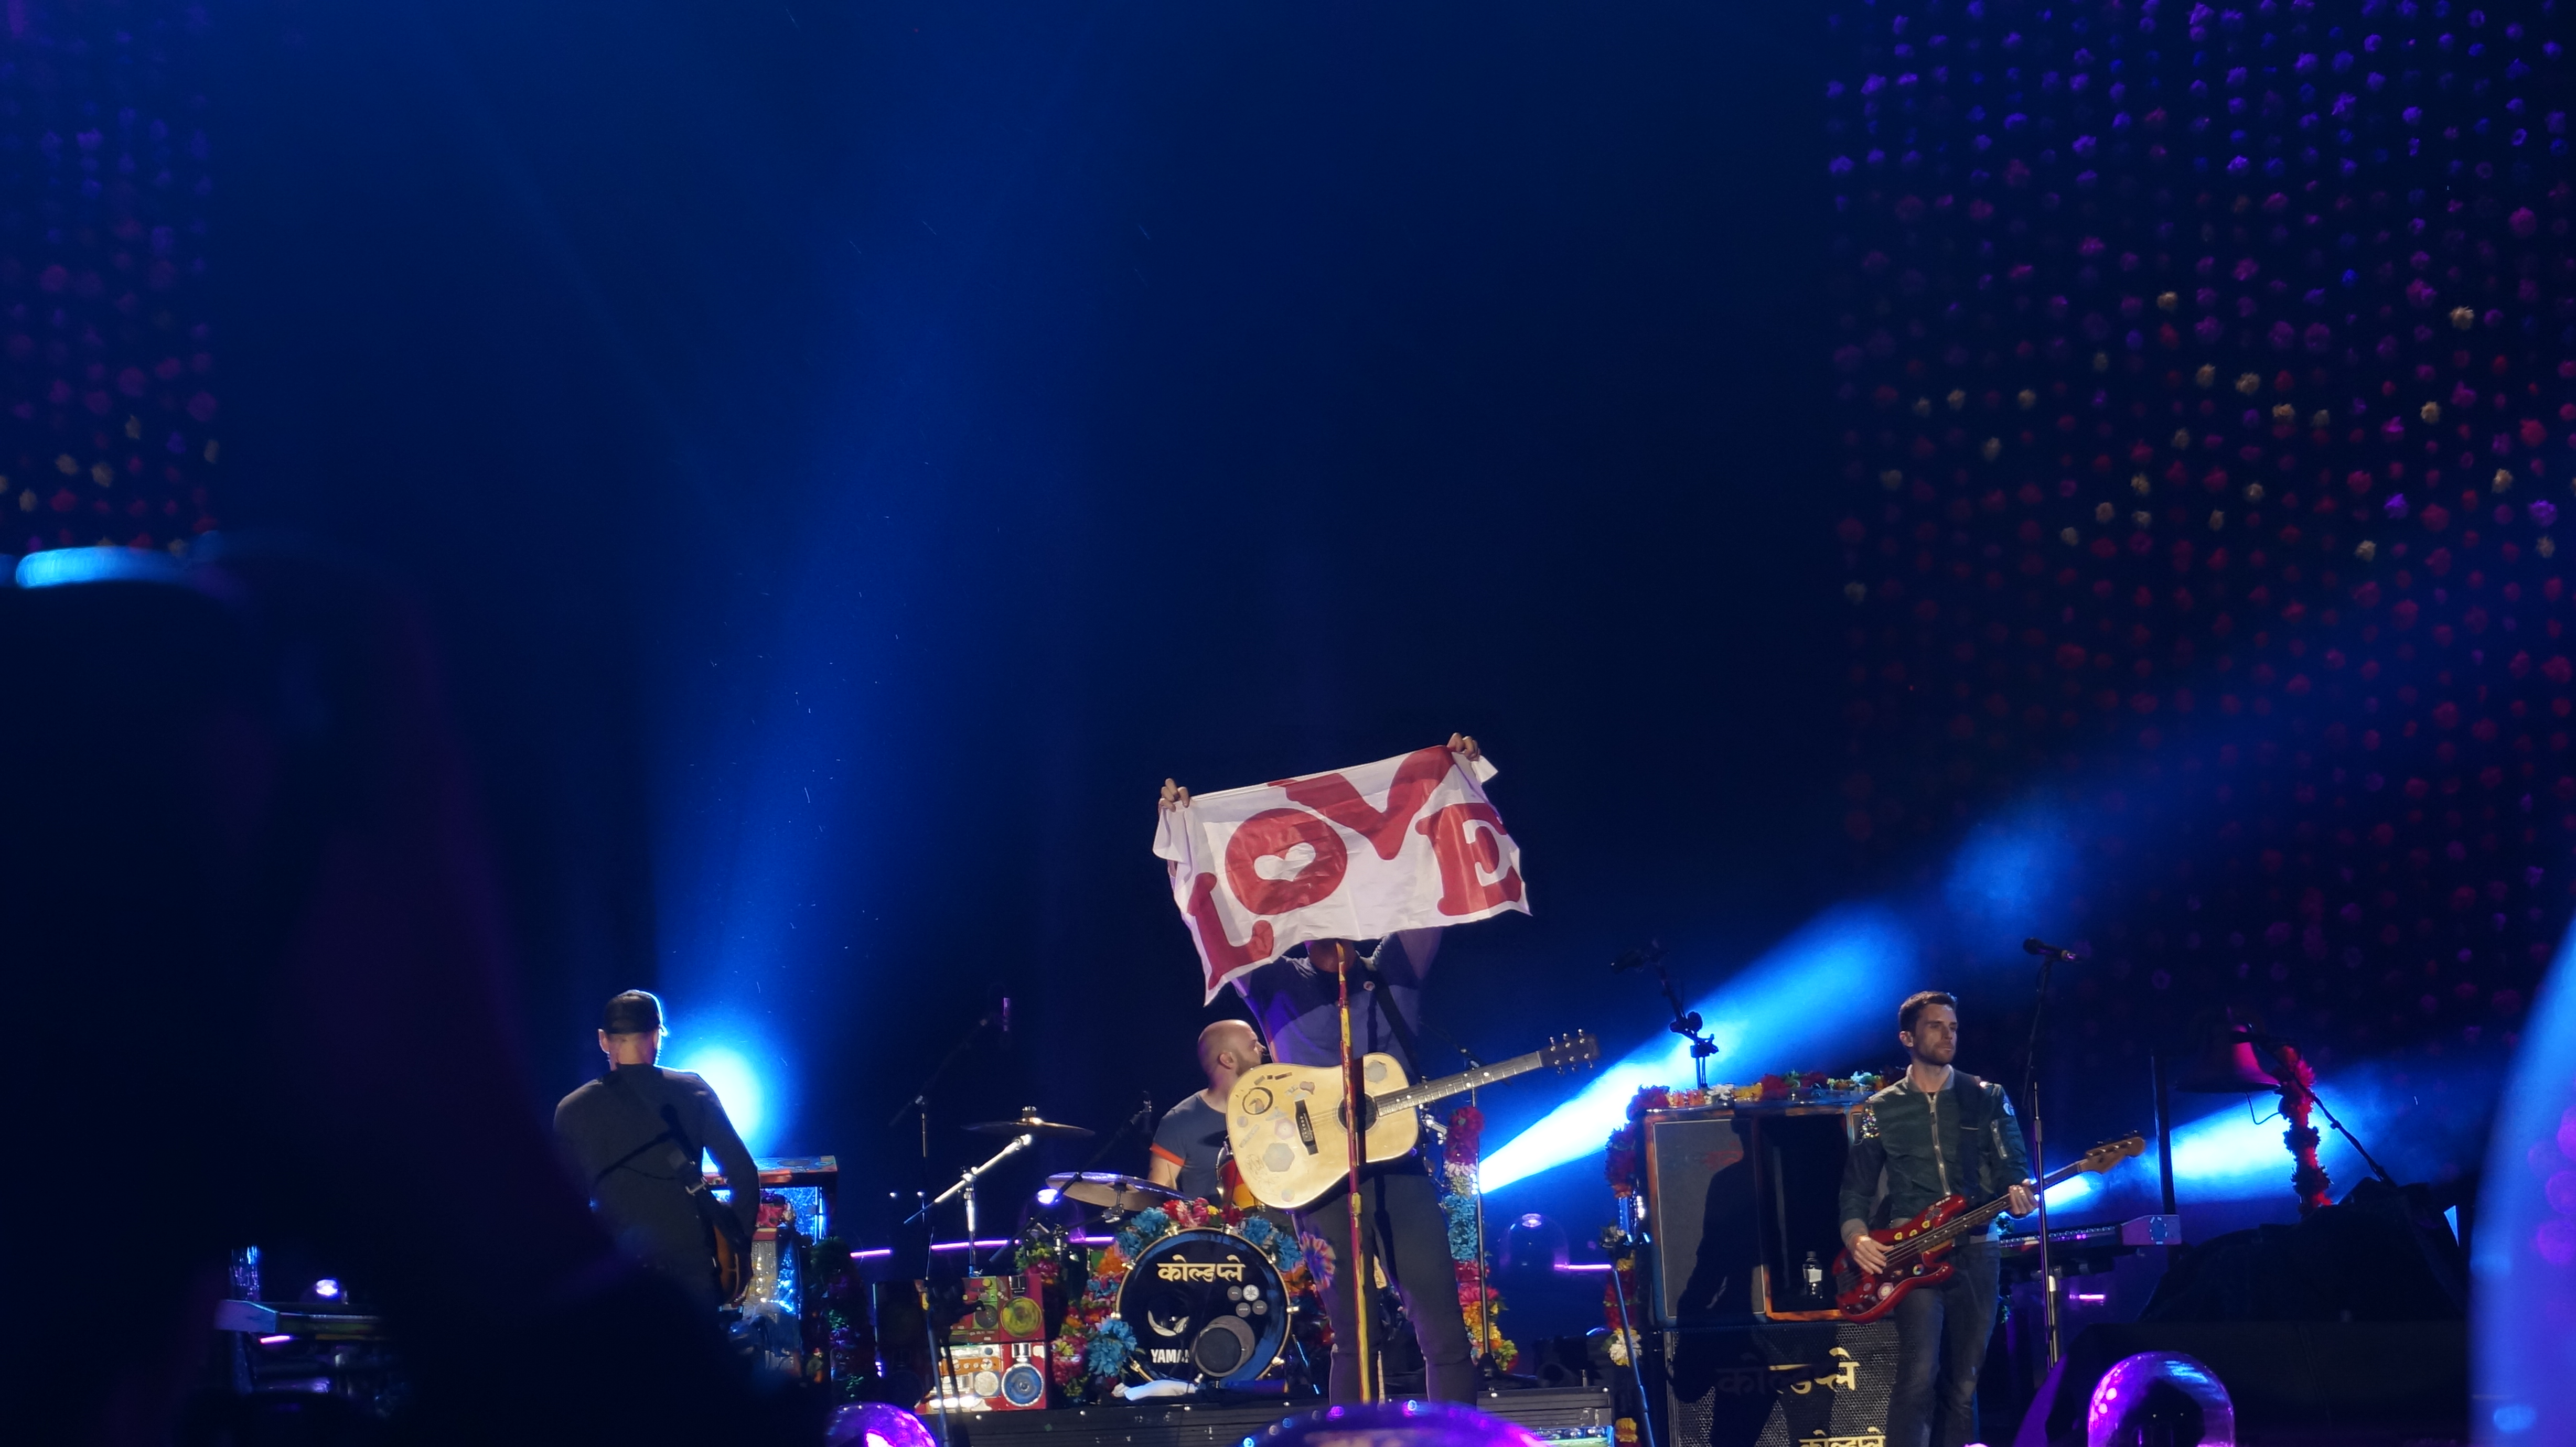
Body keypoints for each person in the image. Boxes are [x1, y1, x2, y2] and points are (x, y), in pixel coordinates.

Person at [1155, 732, 1482, 1405]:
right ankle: (1352, 1438)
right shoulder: (1277, 983)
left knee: (1444, 1333)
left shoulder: (1394, 970)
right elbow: (1212, 915)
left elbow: (1438, 883)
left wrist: (1459, 784)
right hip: (1318, 1182)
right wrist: (1183, 844)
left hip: (1398, 1171)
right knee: (1355, 1336)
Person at [1838, 991, 2037, 1447]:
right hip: (1911, 1253)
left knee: (1964, 1384)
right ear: (1907, 1037)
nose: (1949, 1035)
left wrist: (2019, 1191)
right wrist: (1857, 1237)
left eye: (1953, 1027)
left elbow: (2012, 1165)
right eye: (1936, 1026)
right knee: (1918, 1375)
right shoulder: (1879, 1109)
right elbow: (1855, 1188)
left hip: (1978, 1249)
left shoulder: (1985, 1096)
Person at [555, 990, 764, 1311]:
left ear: (603, 1040)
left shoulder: (572, 1110)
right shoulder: (693, 1091)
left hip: (617, 1280)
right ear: (656, 1036)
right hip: (691, 1277)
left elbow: (565, 1210)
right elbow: (745, 1176)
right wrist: (739, 1248)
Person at [1147, 1019, 1266, 1202]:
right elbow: (1157, 1195)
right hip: (1216, 1221)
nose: (1262, 1048)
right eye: (1253, 1045)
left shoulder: (1277, 1104)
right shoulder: (1179, 1122)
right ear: (1228, 1060)